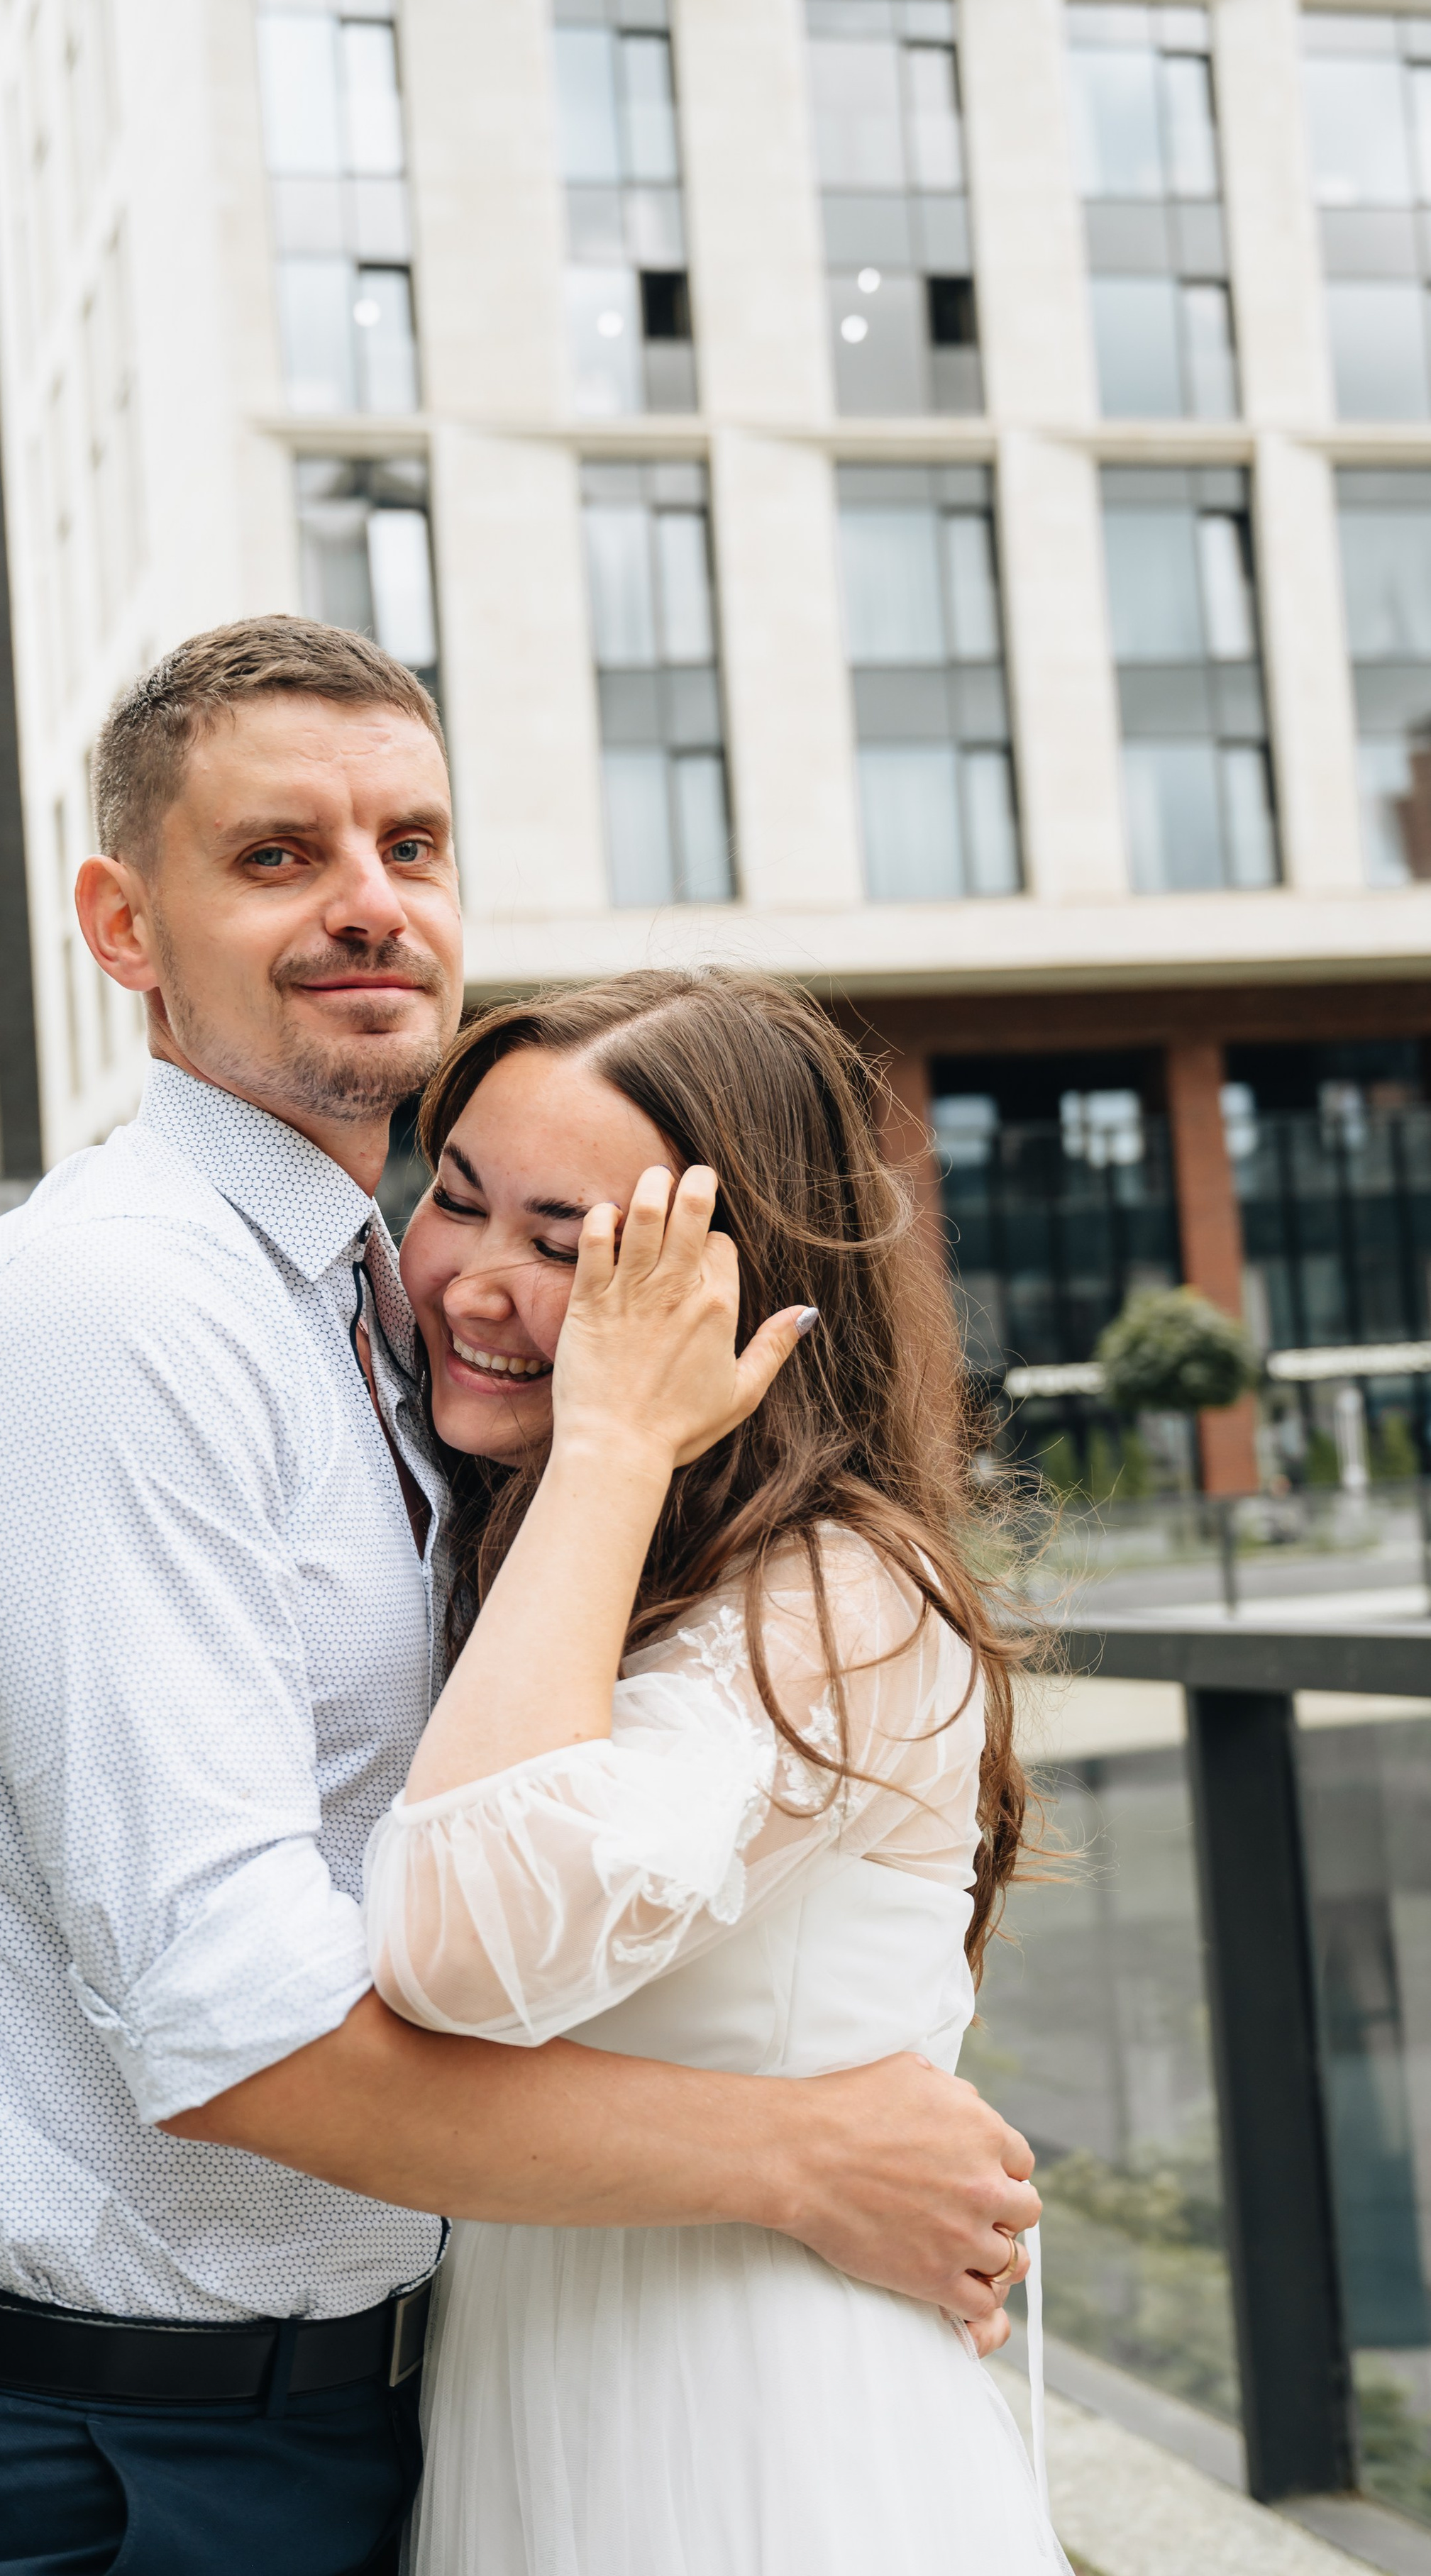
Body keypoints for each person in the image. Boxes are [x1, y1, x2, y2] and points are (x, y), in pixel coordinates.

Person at [0, 618, 1038, 2576]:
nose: (369, 906)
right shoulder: (126, 1318)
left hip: (365, 2420)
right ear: (123, 925)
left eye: (414, 846)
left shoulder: (378, 1333)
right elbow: (235, 2028)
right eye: (277, 856)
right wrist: (804, 2157)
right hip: (106, 2468)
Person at [367, 968, 1066, 2574]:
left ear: (744, 1295)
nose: (476, 1282)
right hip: (542, 2412)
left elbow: (458, 1941)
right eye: (455, 1201)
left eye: (573, 1250)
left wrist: (614, 1442)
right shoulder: (527, 1546)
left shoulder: (844, 1595)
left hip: (757, 2447)